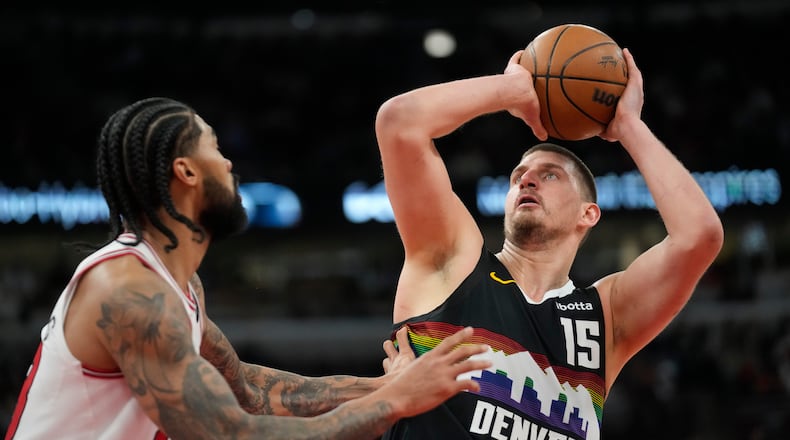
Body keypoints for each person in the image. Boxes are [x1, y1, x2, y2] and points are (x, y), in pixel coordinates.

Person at [4, 97, 493, 440]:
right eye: (215, 148)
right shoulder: (128, 290)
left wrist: (384, 385)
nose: (230, 162)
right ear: (187, 172)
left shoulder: (175, 283)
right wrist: (391, 404)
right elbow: (227, 432)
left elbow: (247, 390)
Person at [373, 47, 724, 440]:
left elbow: (699, 236)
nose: (526, 179)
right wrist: (512, 89)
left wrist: (629, 125)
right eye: (518, 175)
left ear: (587, 214)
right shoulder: (454, 261)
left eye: (550, 175)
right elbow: (399, 124)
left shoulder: (605, 318)